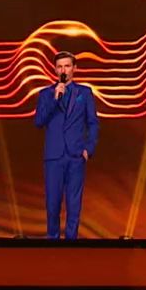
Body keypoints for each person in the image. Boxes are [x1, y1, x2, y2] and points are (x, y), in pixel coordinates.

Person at [34, 50, 99, 240]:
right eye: (60, 66)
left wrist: (88, 149)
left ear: (74, 68)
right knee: (53, 204)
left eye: (67, 66)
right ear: (55, 69)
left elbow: (92, 122)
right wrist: (55, 99)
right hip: (54, 156)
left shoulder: (84, 93)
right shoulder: (46, 94)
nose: (63, 70)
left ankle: (72, 244)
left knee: (74, 204)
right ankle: (52, 241)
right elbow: (38, 122)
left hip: (76, 155)